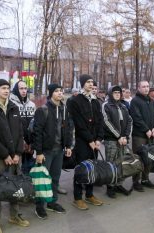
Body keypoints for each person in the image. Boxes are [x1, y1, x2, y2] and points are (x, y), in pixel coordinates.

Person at [0, 79, 30, 233]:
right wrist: (5, 154)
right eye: (3, 88)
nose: (6, 90)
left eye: (8, 88)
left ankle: (14, 215)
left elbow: (20, 132)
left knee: (16, 186)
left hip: (15, 156)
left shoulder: (13, 107)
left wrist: (18, 153)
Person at [33, 84, 73, 219]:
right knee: (42, 180)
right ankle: (39, 207)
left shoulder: (64, 108)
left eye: (61, 91)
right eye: (56, 91)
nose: (60, 93)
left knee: (55, 178)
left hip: (59, 150)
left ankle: (52, 202)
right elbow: (37, 132)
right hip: (46, 151)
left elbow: (68, 128)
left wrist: (68, 146)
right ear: (51, 94)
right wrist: (38, 152)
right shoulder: (43, 110)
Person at [67, 74, 104, 210]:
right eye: (88, 82)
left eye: (92, 82)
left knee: (92, 168)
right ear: (82, 83)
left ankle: (90, 195)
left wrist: (99, 139)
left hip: (94, 141)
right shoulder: (75, 101)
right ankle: (78, 198)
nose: (90, 84)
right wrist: (89, 140)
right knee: (81, 169)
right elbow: (78, 123)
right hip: (82, 141)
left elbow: (100, 121)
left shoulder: (95, 101)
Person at [102, 85, 133, 198]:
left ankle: (119, 184)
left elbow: (129, 120)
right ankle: (110, 187)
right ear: (110, 93)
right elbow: (106, 122)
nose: (117, 94)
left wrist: (125, 136)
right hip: (111, 141)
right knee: (111, 163)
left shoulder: (123, 106)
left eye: (119, 93)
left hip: (123, 140)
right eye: (114, 92)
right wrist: (118, 136)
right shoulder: (106, 105)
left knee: (121, 163)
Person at [129, 80, 154, 192]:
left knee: (149, 158)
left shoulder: (151, 100)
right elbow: (136, 117)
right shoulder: (135, 101)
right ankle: (136, 181)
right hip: (139, 135)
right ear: (139, 88)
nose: (146, 88)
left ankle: (145, 179)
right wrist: (146, 129)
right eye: (143, 87)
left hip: (151, 135)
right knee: (138, 158)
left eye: (147, 86)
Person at [9, 80, 36, 174]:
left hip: (29, 145)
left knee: (28, 171)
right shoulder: (10, 104)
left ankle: (27, 188)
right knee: (17, 172)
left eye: (25, 88)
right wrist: (21, 141)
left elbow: (34, 124)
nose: (24, 91)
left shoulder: (32, 105)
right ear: (16, 89)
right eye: (21, 88)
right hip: (17, 144)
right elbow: (12, 126)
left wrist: (32, 143)